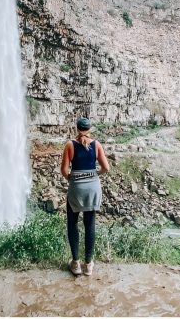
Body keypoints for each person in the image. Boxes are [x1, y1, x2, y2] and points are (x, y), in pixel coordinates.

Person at [60, 117, 110, 276]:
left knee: (72, 224)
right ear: (90, 129)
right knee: (90, 225)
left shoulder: (70, 145)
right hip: (93, 188)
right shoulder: (97, 145)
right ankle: (88, 265)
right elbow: (106, 168)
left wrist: (73, 179)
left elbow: (64, 170)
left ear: (77, 128)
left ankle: (75, 264)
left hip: (76, 188)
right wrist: (93, 175)